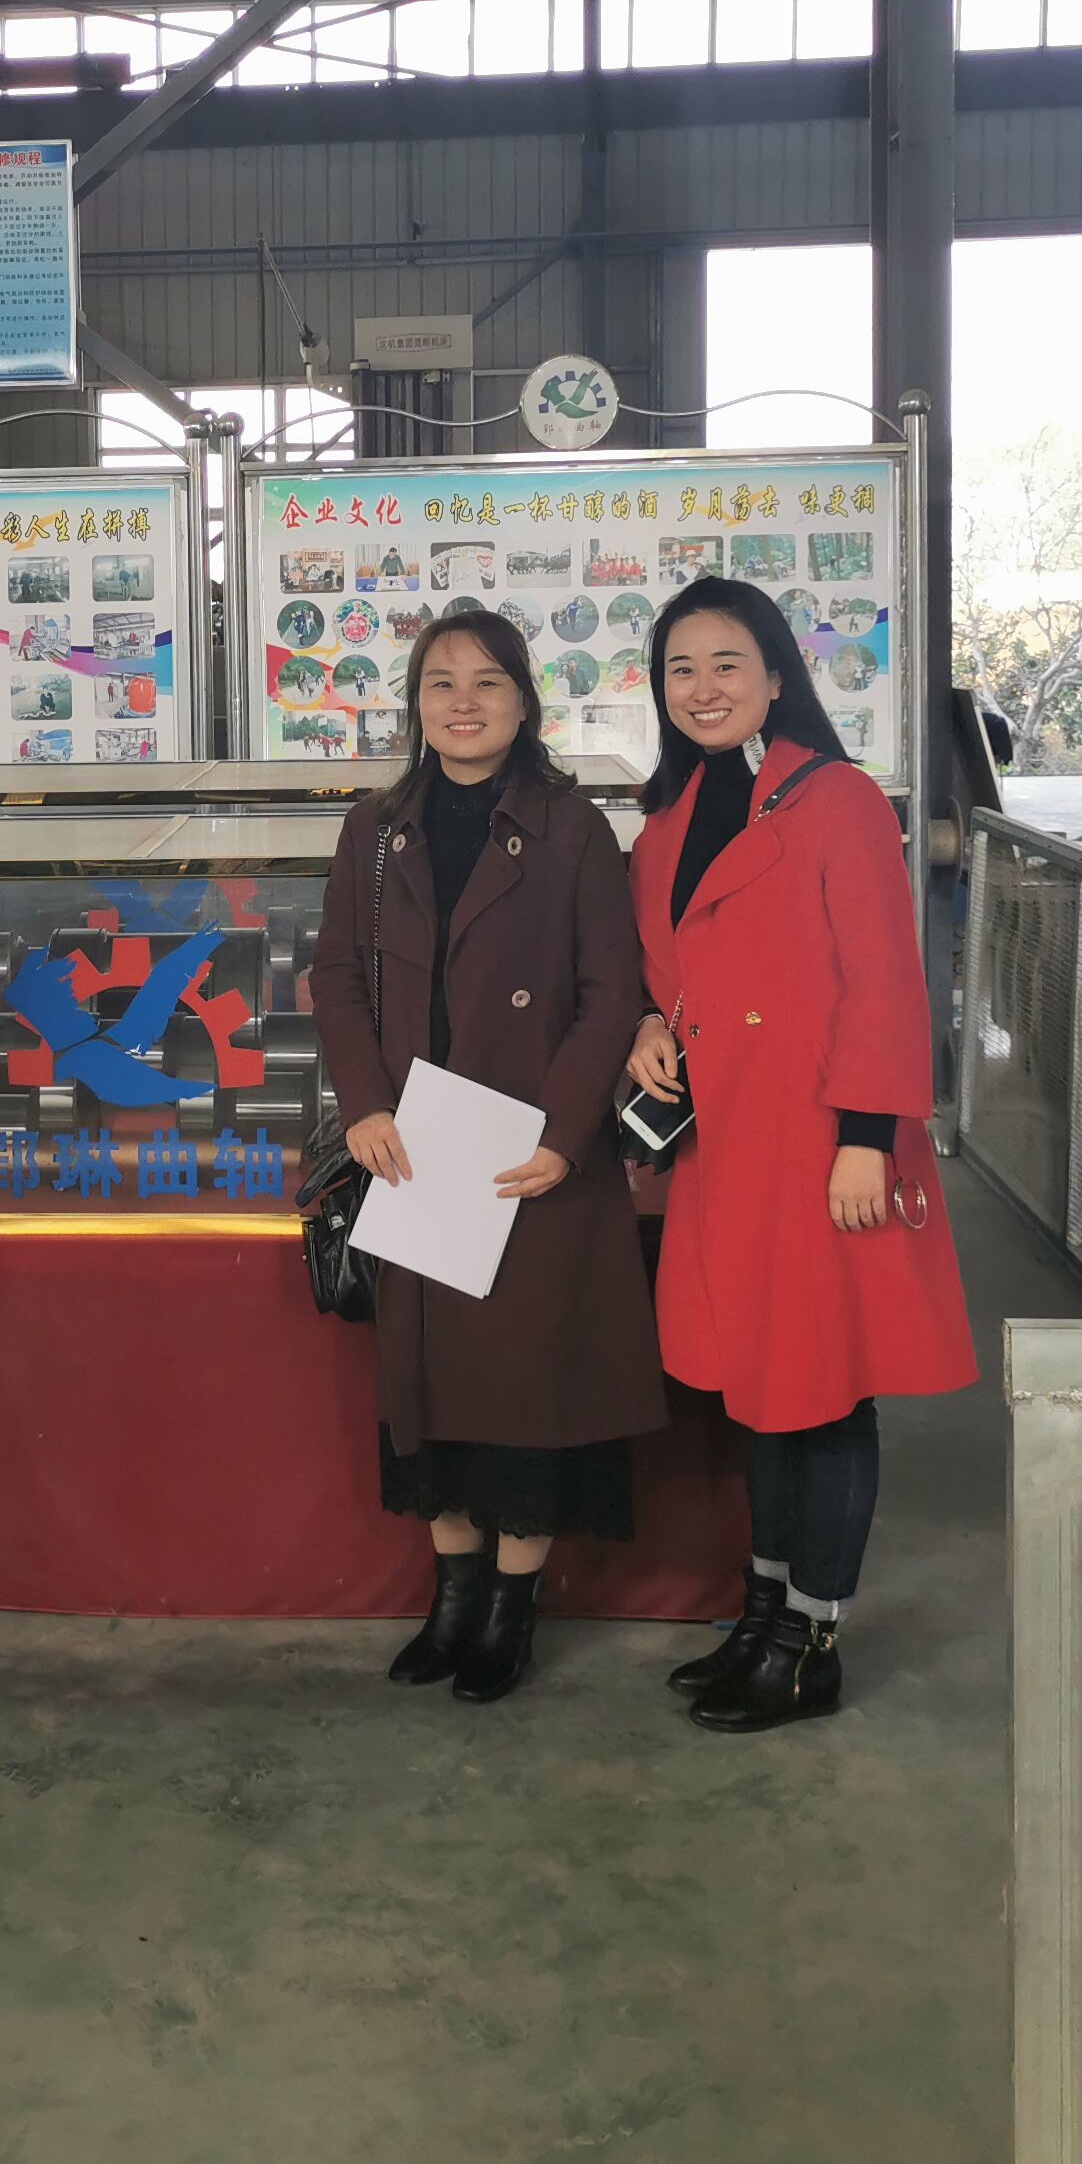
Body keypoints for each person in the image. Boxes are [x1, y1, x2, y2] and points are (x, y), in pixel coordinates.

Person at [624, 576, 976, 1734]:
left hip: (822, 1144)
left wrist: (867, 1138)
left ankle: (811, 1640)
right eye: (680, 668)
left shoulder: (836, 801)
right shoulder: (668, 822)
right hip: (726, 1149)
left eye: (727, 663)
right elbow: (667, 972)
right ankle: (764, 1613)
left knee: (824, 1392)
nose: (702, 687)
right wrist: (645, 1024)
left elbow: (883, 978)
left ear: (777, 676)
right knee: (761, 1390)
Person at [306, 608, 660, 1703]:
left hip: (527, 1155)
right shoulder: (376, 830)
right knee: (430, 1391)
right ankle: (452, 1594)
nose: (463, 703)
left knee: (525, 1391)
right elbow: (337, 976)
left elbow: (610, 994)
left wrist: (562, 1133)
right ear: (416, 705)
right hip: (418, 1151)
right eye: (440, 683)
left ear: (524, 703)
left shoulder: (572, 829)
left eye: (488, 682)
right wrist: (365, 1106)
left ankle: (511, 1607)